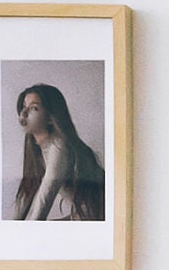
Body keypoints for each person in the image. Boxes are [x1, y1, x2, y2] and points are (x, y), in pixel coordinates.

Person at [10, 83, 106, 222]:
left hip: (98, 219)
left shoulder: (59, 146)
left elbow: (45, 197)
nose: (23, 113)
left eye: (34, 108)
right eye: (24, 106)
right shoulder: (37, 148)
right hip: (84, 217)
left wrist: (25, 232)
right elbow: (27, 194)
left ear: (50, 118)